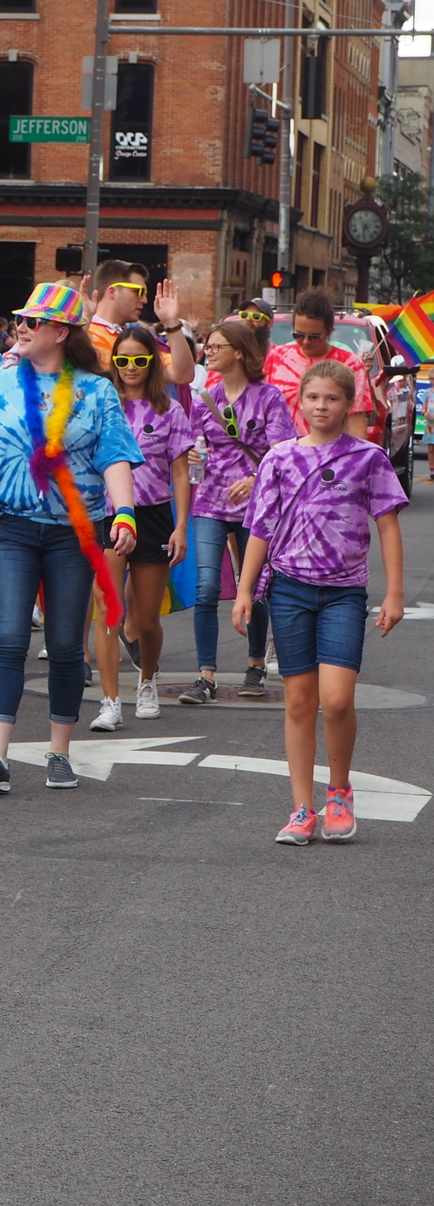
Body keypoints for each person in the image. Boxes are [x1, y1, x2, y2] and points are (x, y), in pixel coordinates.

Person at [0, 283, 141, 795]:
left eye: (33, 321)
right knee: (7, 639)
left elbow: (115, 456)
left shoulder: (97, 391)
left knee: (65, 646)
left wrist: (125, 514)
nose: (21, 328)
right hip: (10, 527)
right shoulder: (0, 385)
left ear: (59, 331)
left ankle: (59, 751)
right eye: (20, 319)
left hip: (75, 532)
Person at [233, 359, 407, 844]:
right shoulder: (279, 458)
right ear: (301, 401)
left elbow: (388, 524)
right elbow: (260, 529)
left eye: (332, 398)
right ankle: (302, 808)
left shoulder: (369, 457)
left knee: (336, 699)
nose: (322, 406)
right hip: (288, 589)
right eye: (313, 397)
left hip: (344, 592)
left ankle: (339, 790)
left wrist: (394, 593)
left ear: (347, 403)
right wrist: (245, 589)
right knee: (299, 701)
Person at [179, 319, 293, 705]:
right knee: (206, 587)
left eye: (216, 347)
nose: (208, 353)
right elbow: (195, 446)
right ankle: (205, 675)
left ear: (240, 352)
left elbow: (282, 454)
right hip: (210, 499)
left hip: (256, 507)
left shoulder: (269, 398)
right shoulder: (203, 398)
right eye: (207, 347)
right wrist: (193, 455)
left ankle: (256, 664)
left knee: (256, 586)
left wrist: (255, 476)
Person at [89, 323, 193, 730]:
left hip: (153, 515)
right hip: (109, 514)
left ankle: (148, 681)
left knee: (146, 619)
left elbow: (181, 474)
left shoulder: (169, 409)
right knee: (108, 610)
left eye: (139, 360)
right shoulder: (101, 404)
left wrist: (181, 526)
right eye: (123, 359)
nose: (130, 367)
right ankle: (110, 700)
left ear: (152, 362)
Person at [261, 289, 374, 439]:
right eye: (299, 335)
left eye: (314, 337)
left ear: (330, 331)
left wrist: (358, 458)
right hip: (283, 454)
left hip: (330, 454)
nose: (306, 342)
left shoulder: (350, 364)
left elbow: (355, 418)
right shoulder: (276, 357)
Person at [82, 259, 196, 382]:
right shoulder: (85, 333)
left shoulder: (139, 340)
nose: (144, 300)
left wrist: (171, 322)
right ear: (112, 292)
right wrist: (84, 320)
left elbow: (183, 375)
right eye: (138, 292)